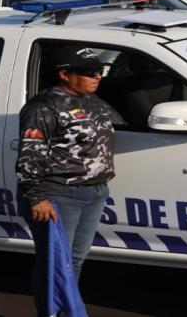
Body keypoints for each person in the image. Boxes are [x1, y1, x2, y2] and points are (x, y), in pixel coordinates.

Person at [16, 47, 118, 317]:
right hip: (58, 194)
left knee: (74, 261)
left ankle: (67, 311)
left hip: (94, 193)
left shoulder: (94, 100)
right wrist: (36, 197)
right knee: (55, 263)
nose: (97, 76)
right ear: (64, 74)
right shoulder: (44, 106)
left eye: (100, 71)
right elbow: (29, 154)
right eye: (88, 72)